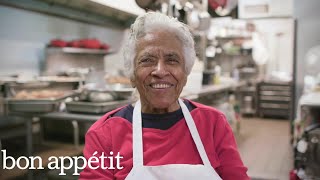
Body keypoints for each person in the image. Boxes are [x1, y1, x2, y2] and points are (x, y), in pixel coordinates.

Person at [80, 12, 249, 180]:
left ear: (186, 72)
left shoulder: (213, 124)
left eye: (172, 60)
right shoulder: (105, 134)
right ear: (132, 75)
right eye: (147, 60)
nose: (160, 71)